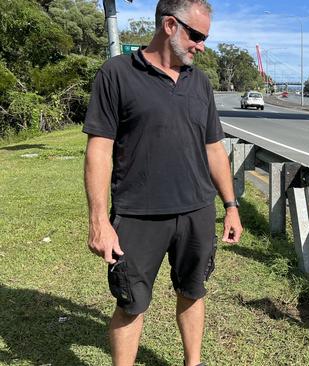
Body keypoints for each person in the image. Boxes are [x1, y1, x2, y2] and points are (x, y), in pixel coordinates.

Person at [83, 0, 242, 365]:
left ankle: (193, 362)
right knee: (131, 303)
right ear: (170, 25)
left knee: (193, 291)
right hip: (138, 216)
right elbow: (99, 151)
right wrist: (99, 221)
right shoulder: (117, 73)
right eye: (197, 35)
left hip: (197, 211)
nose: (201, 46)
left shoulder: (199, 81)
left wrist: (230, 207)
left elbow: (214, 148)